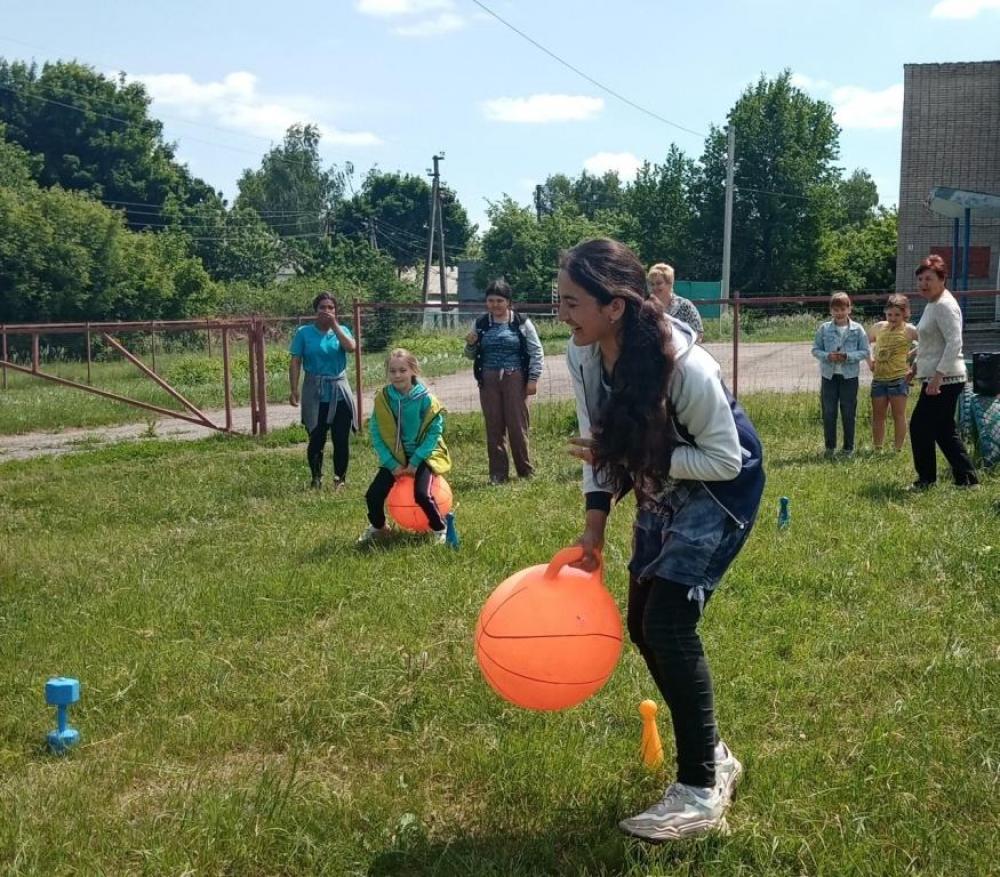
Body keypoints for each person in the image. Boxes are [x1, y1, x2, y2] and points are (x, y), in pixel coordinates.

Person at [559, 239, 765, 842]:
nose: (562, 314)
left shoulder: (686, 366)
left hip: (721, 488)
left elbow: (726, 459)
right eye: (559, 300)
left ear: (615, 306)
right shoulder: (584, 355)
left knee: (671, 623)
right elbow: (598, 443)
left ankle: (700, 788)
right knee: (644, 622)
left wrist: (638, 455)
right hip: (661, 479)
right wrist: (594, 528)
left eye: (572, 302)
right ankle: (716, 755)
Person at [359, 349, 452, 544]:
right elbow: (376, 432)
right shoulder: (383, 399)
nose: (397, 375)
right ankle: (379, 527)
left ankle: (439, 528)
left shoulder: (426, 399)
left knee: (421, 495)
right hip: (395, 457)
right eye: (392, 371)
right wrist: (391, 464)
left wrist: (417, 461)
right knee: (373, 495)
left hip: (424, 455)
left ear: (413, 371)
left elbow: (435, 432)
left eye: (402, 370)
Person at [907, 255, 979, 489]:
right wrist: (915, 366)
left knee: (920, 426)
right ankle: (966, 479)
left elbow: (954, 343)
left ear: (942, 279)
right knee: (943, 429)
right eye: (920, 279)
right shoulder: (933, 304)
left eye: (928, 279)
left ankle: (927, 480)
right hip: (939, 377)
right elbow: (930, 343)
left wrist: (937, 377)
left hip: (946, 378)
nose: (923, 284)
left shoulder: (945, 305)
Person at [463, 279, 544, 483]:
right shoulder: (481, 323)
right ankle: (498, 474)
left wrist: (533, 379)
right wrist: (470, 345)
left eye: (499, 300)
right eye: (491, 301)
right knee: (494, 426)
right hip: (488, 379)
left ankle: (525, 471)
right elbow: (470, 355)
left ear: (508, 301)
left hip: (515, 377)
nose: (495, 305)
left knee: (517, 426)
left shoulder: (521, 322)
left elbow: (536, 351)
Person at [289, 293, 358, 489]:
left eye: (330, 308)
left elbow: (351, 347)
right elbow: (295, 361)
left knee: (341, 438)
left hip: (339, 390)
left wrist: (335, 326)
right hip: (315, 392)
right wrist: (293, 389)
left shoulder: (342, 330)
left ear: (335, 312)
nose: (326, 311)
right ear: (315, 311)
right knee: (317, 436)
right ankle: (316, 477)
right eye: (322, 307)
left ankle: (340, 479)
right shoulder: (304, 333)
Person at [810, 292, 870, 458]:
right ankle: (830, 447)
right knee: (829, 411)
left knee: (848, 411)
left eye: (843, 308)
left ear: (849, 309)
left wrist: (848, 357)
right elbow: (815, 349)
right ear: (831, 310)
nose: (840, 312)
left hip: (849, 377)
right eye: (836, 309)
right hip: (829, 376)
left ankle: (848, 448)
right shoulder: (824, 328)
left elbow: (865, 351)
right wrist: (827, 356)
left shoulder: (858, 329)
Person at [868, 294, 918, 451]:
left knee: (898, 415)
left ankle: (898, 448)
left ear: (905, 313)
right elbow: (864, 344)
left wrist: (911, 355)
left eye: (897, 314)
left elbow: (927, 343)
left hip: (898, 379)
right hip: (879, 379)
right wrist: (870, 361)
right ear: (885, 313)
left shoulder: (909, 330)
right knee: (878, 416)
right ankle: (878, 448)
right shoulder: (878, 327)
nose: (893, 318)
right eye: (889, 314)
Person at [647, 263, 704, 342]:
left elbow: (698, 333)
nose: (654, 287)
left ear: (670, 284)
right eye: (652, 284)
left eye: (659, 283)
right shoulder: (647, 308)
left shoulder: (685, 306)